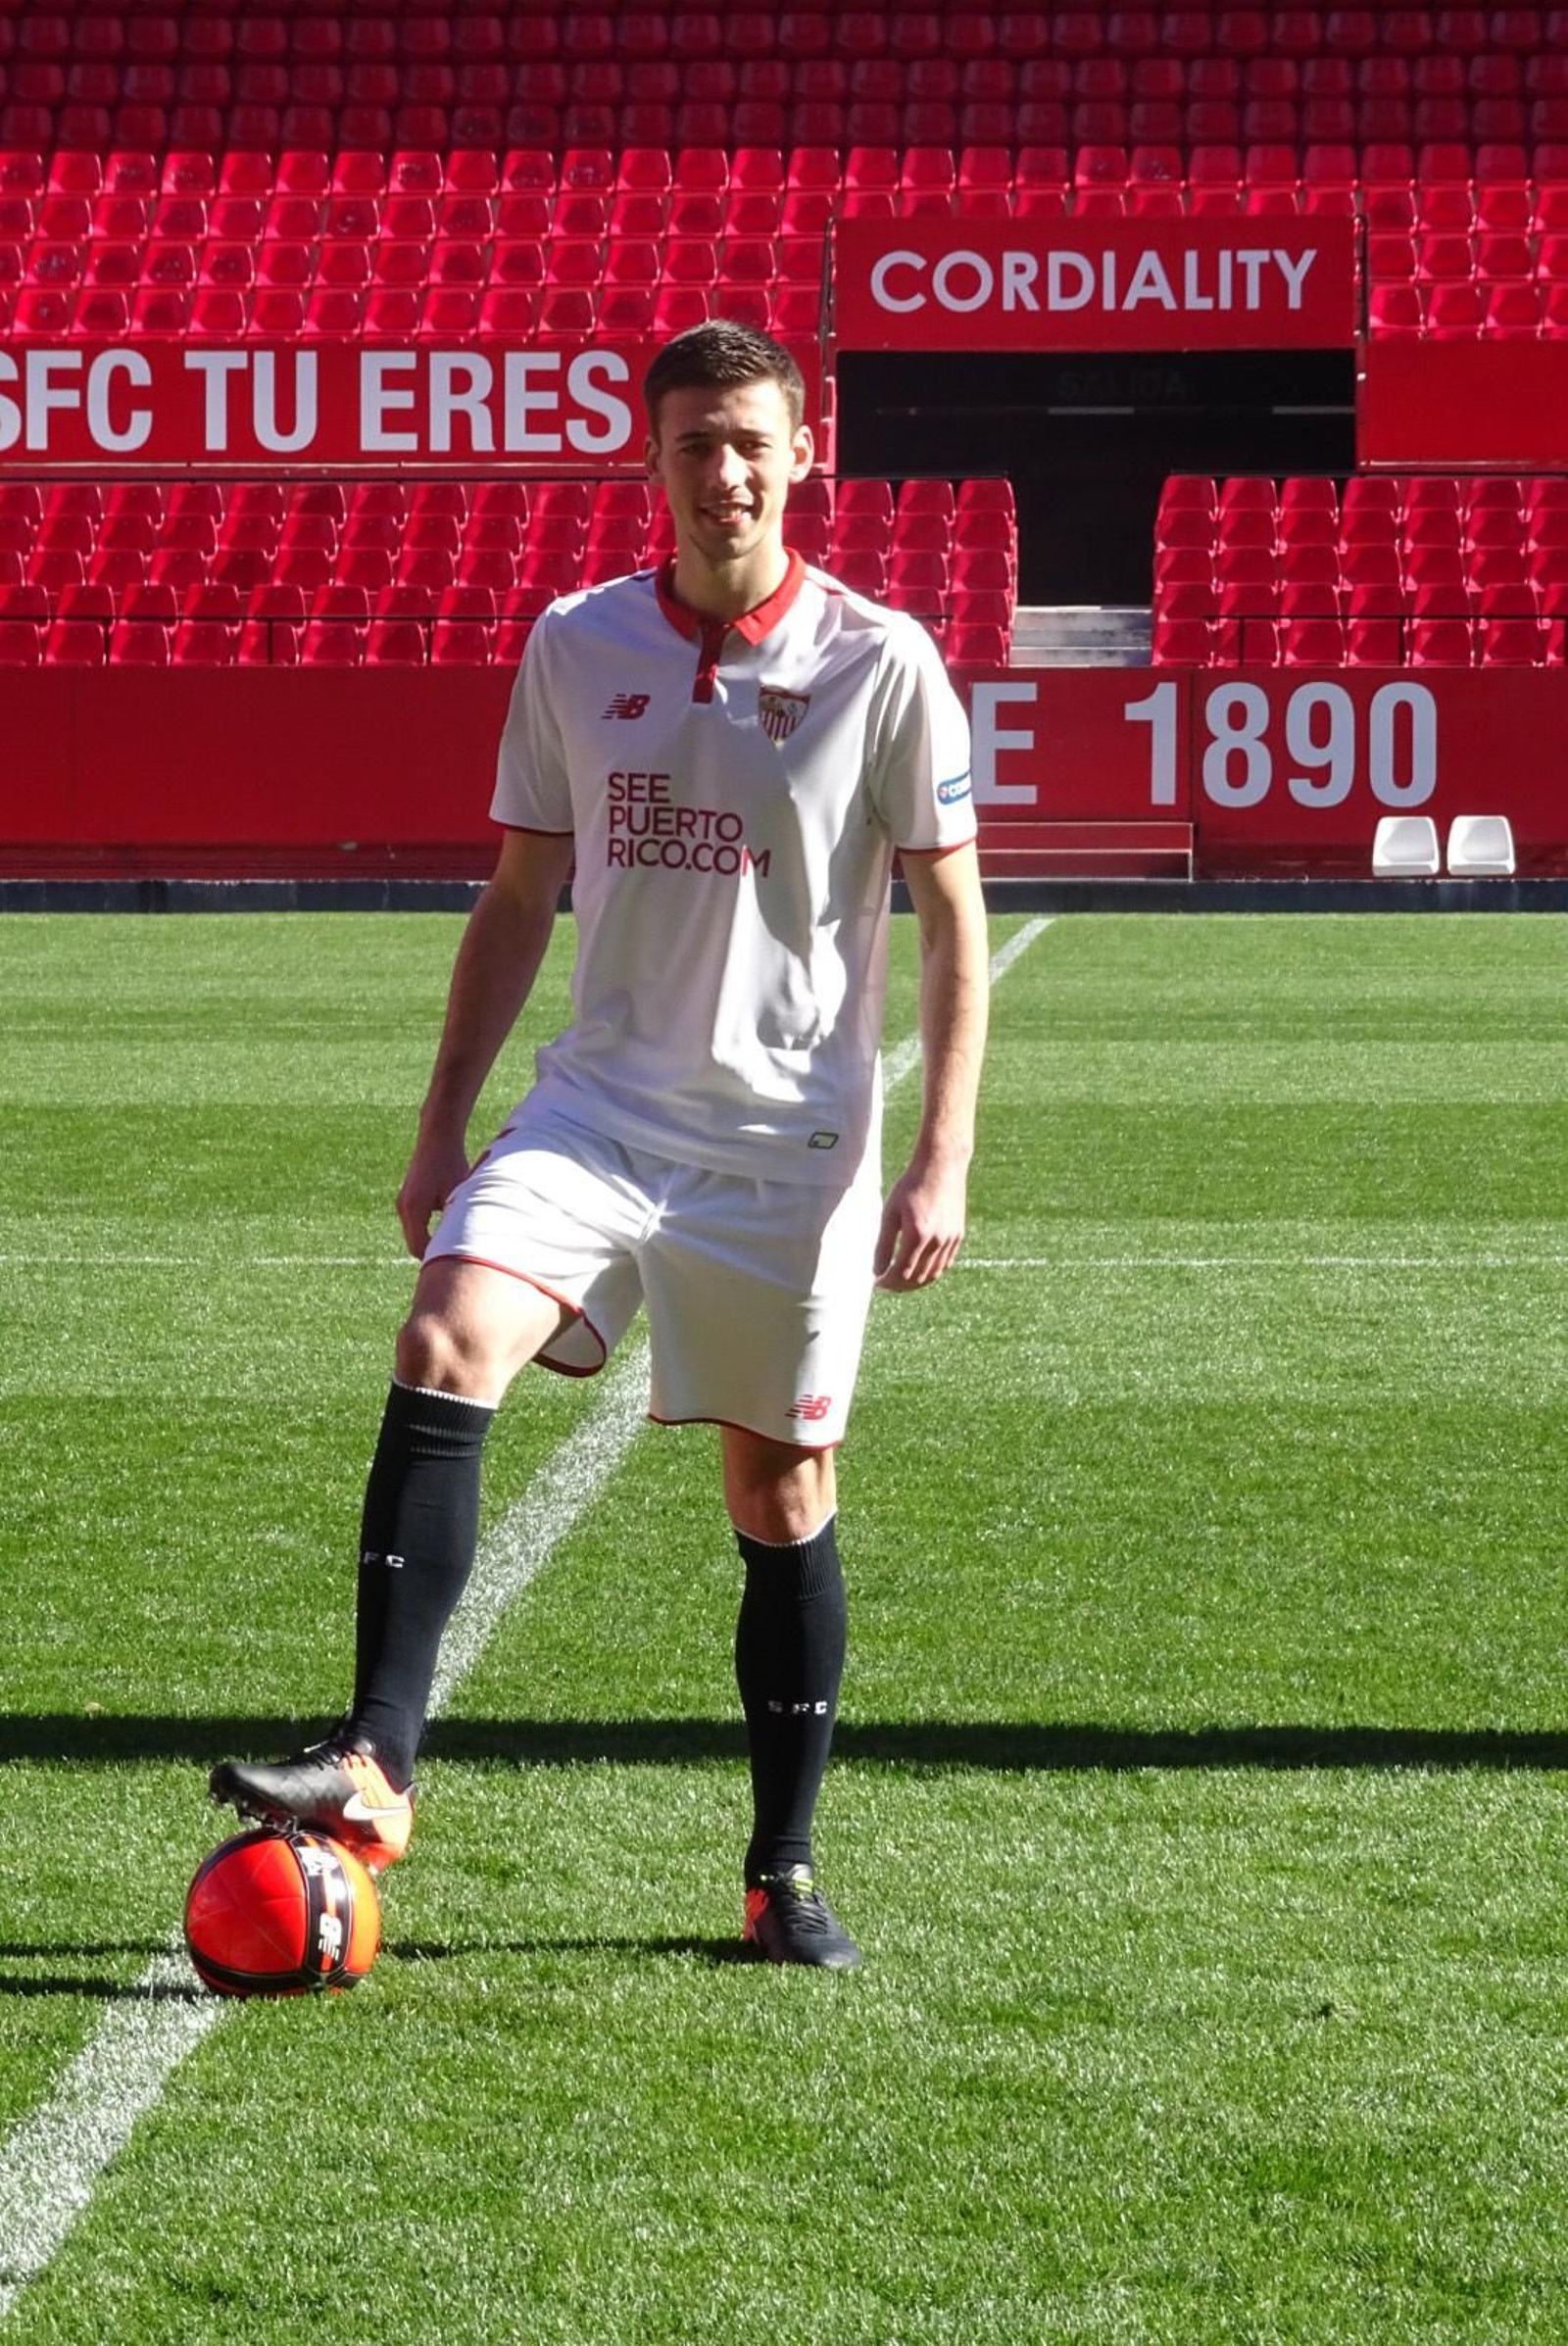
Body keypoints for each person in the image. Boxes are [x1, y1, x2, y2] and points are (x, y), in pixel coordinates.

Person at [212, 320, 990, 1969]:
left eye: (751, 442)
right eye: (695, 442)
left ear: (804, 456)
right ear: (655, 461)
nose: (725, 472)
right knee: (443, 1329)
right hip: (600, 1108)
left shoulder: (885, 660)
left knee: (779, 1488)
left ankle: (780, 1873)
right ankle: (376, 1757)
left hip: (791, 1147)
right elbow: (513, 900)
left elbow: (951, 923)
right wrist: (441, 1127)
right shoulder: (576, 644)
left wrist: (943, 1156)